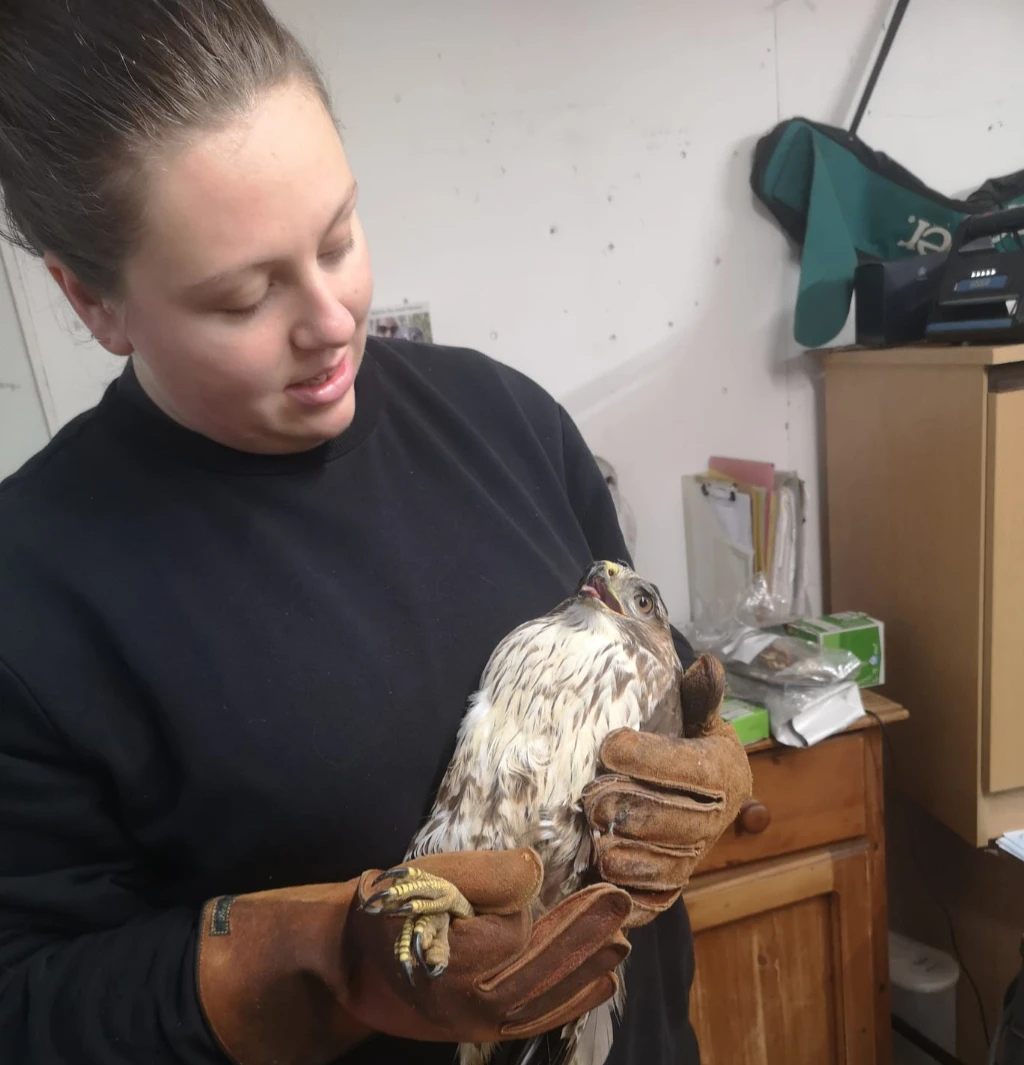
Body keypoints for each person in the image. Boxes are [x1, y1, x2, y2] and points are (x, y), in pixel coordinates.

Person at [0, 2, 752, 1064]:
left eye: (339, 237)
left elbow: (647, 672)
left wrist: (696, 750)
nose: (331, 318)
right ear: (95, 303)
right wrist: (314, 964)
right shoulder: (34, 593)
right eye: (242, 297)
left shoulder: (507, 422)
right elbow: (27, 1003)